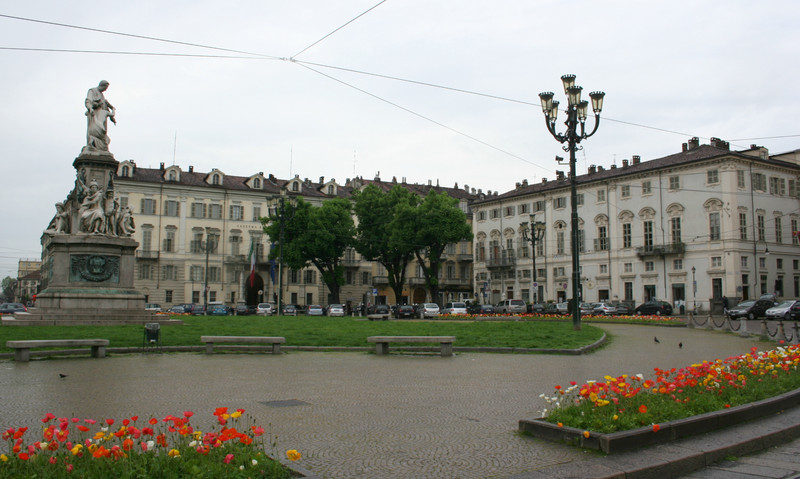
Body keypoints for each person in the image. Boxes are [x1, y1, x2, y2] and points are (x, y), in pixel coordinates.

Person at [85, 80, 116, 151]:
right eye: (105, 88)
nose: (105, 90)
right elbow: (88, 101)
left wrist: (112, 118)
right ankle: (91, 146)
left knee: (103, 134)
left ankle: (101, 149)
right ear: (102, 85)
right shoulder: (92, 91)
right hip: (94, 115)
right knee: (94, 132)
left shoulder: (102, 95)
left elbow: (106, 108)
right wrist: (90, 108)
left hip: (102, 118)